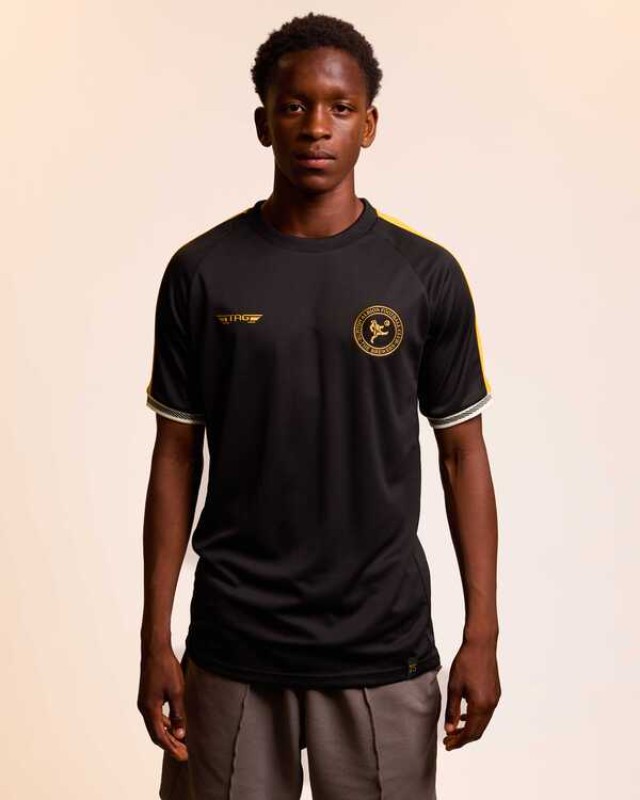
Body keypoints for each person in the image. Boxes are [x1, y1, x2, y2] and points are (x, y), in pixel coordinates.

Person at [137, 11, 501, 800]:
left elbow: (462, 454)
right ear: (262, 122)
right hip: (232, 647)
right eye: (294, 105)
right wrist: (154, 636)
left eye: (340, 107)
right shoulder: (202, 272)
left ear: (369, 125)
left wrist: (483, 632)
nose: (315, 126)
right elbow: (175, 455)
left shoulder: (425, 275)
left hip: (382, 648)